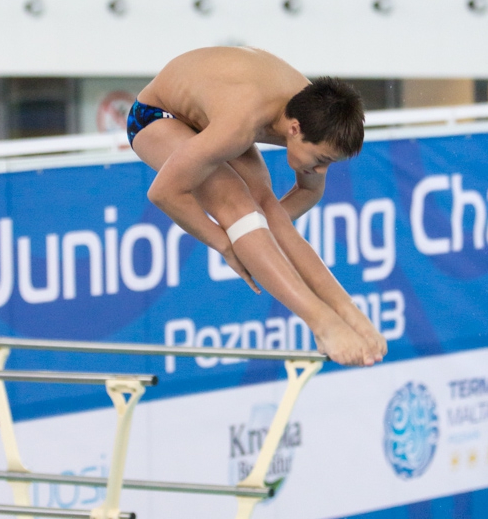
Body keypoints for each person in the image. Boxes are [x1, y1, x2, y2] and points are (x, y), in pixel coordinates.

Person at [127, 46, 387, 367]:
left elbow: (308, 192)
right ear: (294, 129)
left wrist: (259, 232)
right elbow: (164, 193)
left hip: (213, 114)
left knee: (266, 210)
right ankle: (322, 324)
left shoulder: (317, 117)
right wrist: (227, 244)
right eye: (321, 160)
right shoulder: (240, 123)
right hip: (156, 115)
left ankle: (347, 311)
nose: (322, 171)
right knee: (234, 200)